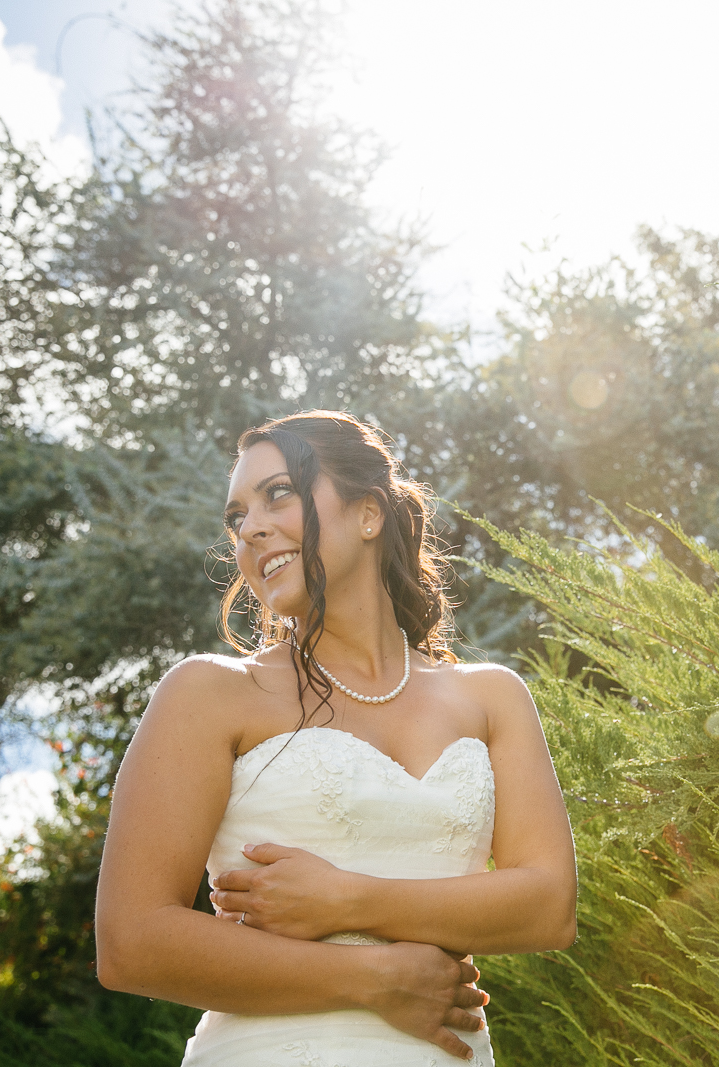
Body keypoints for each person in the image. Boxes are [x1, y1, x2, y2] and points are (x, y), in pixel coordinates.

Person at [95, 410, 578, 1065]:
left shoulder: (492, 696)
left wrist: (346, 897)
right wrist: (375, 979)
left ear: (368, 514)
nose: (251, 528)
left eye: (279, 493)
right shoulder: (208, 693)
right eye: (237, 516)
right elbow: (132, 940)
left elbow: (548, 906)